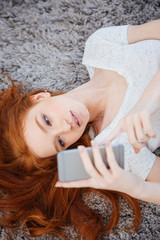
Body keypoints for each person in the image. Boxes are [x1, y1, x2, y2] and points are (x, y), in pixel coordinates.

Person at [0, 19, 160, 239]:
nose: (66, 127)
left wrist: (146, 105)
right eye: (60, 142)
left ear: (38, 98)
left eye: (47, 121)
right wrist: (137, 188)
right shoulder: (115, 146)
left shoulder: (99, 46)